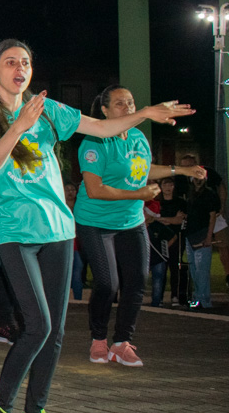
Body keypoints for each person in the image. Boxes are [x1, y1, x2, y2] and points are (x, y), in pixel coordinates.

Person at [0, 38, 193, 413]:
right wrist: (18, 125)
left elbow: (101, 127)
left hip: (57, 229)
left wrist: (142, 113)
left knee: (54, 332)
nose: (21, 68)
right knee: (37, 325)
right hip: (15, 232)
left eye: (27, 62)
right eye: (11, 62)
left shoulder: (48, 109)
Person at [73, 85, 206, 366]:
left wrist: (181, 170)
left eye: (131, 103)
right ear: (105, 110)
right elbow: (95, 189)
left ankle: (121, 343)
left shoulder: (136, 137)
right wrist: (140, 195)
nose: (128, 108)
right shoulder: (95, 142)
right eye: (120, 104)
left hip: (130, 222)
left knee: (136, 282)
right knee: (108, 284)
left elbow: (143, 170)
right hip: (95, 223)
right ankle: (98, 339)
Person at [184, 172, 221, 310]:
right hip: (191, 236)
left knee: (202, 270)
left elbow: (212, 217)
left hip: (202, 235)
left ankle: (201, 299)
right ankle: (202, 300)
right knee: (194, 269)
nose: (198, 181)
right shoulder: (191, 194)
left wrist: (208, 236)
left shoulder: (209, 194)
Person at [148, 177, 185, 306]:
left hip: (175, 238)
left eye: (170, 185)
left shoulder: (179, 202)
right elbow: (153, 219)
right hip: (160, 239)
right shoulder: (158, 202)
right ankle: (160, 297)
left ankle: (175, 295)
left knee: (175, 267)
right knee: (160, 268)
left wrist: (164, 219)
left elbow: (179, 220)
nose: (168, 188)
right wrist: (170, 219)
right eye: (165, 185)